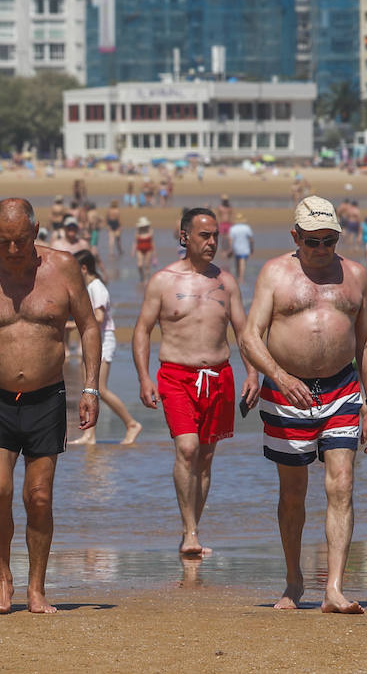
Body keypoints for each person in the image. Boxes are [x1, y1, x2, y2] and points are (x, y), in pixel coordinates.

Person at [0, 198, 100, 615]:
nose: (12, 250)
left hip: (46, 397)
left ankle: (36, 587)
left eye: (20, 241)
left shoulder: (63, 267)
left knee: (39, 497)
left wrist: (90, 389)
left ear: (35, 233)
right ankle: (2, 578)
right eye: (3, 241)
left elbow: (89, 326)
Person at [238, 195, 367, 614]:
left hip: (341, 389)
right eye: (313, 241)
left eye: (329, 241)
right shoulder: (274, 274)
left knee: (342, 484)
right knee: (293, 494)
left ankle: (334, 588)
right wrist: (280, 376)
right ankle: (294, 580)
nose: (321, 249)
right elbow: (250, 335)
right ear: (295, 237)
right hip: (286, 392)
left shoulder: (355, 275)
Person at [134, 208, 259, 555]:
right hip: (176, 376)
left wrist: (253, 372)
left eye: (216, 236)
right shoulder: (163, 281)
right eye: (205, 235)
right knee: (187, 449)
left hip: (220, 375)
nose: (212, 242)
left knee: (205, 457)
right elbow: (142, 330)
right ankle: (189, 533)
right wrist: (144, 377)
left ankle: (193, 529)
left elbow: (243, 332)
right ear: (185, 237)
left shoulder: (226, 282)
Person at [68, 250, 142, 446]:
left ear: (84, 268)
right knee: (88, 389)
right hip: (92, 341)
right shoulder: (89, 287)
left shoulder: (96, 287)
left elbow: (99, 318)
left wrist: (73, 324)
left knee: (100, 388)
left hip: (103, 341)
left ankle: (131, 423)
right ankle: (89, 435)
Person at [228, 212, 254, 280]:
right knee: (242, 263)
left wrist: (231, 248)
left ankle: (238, 275)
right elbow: (251, 239)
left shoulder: (233, 228)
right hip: (245, 248)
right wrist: (252, 248)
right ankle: (241, 277)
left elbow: (230, 239)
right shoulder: (246, 228)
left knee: (237, 262)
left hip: (236, 248)